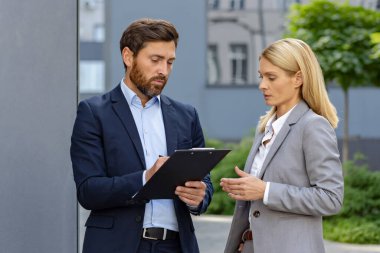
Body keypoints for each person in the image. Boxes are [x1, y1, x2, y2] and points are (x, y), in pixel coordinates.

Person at [70, 18, 213, 253]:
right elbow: (88, 191)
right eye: (155, 60)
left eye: (169, 62)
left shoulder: (186, 115)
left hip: (176, 246)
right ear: (128, 56)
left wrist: (199, 197)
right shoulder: (94, 112)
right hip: (116, 246)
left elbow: (204, 181)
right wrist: (146, 179)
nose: (163, 70)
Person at [221, 38, 344, 253]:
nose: (262, 85)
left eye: (271, 77)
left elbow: (331, 198)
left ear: (297, 78)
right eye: (261, 76)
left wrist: (265, 190)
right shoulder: (266, 127)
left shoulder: (313, 126)